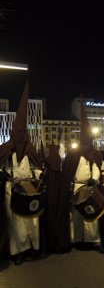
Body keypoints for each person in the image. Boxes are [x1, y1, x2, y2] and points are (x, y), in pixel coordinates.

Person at [0, 81, 44, 265]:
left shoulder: (30, 149)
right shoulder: (5, 150)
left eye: (23, 132)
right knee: (16, 223)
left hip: (30, 189)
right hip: (13, 190)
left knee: (33, 221)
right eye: (18, 131)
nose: (20, 135)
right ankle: (17, 252)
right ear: (12, 132)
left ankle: (33, 248)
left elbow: (38, 166)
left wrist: (40, 174)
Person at [57, 100, 104, 254]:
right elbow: (67, 171)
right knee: (77, 217)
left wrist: (95, 179)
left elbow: (98, 168)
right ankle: (76, 240)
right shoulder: (74, 154)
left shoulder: (95, 154)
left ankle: (95, 241)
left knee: (92, 214)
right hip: (77, 188)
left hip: (90, 187)